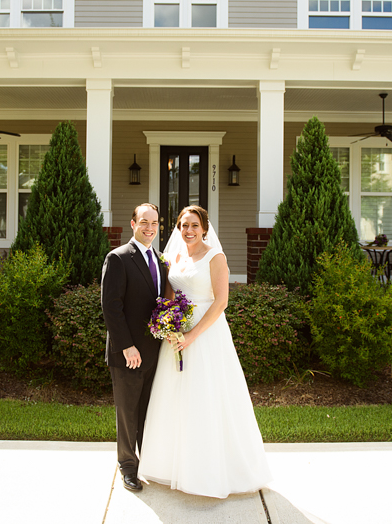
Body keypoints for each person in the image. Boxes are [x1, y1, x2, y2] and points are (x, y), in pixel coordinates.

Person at [138, 205, 272, 498]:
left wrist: (191, 336)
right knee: (174, 397)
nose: (188, 231)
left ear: (205, 228)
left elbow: (221, 302)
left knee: (207, 397)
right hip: (176, 337)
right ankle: (173, 466)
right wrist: (168, 326)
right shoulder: (173, 257)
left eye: (194, 226)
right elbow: (170, 297)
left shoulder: (215, 256)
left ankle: (212, 472)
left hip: (207, 335)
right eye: (184, 225)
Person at [101, 203, 168, 493]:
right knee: (127, 412)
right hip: (128, 352)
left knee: (147, 411)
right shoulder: (117, 258)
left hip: (154, 351)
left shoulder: (160, 260)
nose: (149, 227)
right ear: (133, 224)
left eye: (154, 223)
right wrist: (126, 346)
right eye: (144, 222)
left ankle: (148, 462)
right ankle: (128, 466)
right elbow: (111, 307)